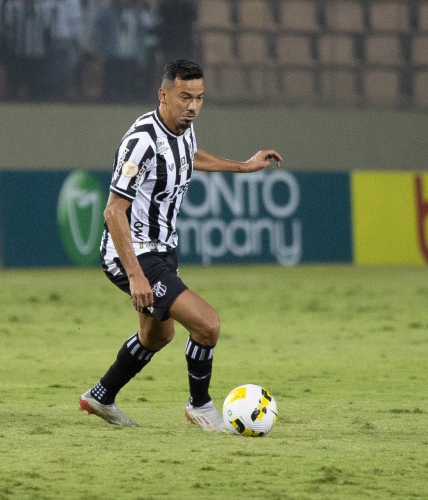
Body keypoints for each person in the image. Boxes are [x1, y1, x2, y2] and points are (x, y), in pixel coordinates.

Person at [79, 59, 283, 432]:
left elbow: (188, 157)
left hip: (162, 250)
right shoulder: (141, 141)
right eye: (185, 97)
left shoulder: (184, 130)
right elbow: (112, 212)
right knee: (207, 325)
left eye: (200, 98)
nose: (192, 106)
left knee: (158, 335)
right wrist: (136, 275)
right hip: (134, 253)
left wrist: (243, 166)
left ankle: (101, 395)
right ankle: (201, 406)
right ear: (164, 94)